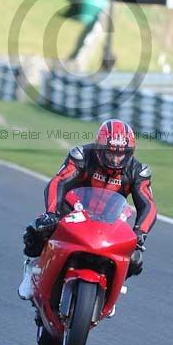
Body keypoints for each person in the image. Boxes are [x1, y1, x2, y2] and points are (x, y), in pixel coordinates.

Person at [18, 118, 157, 301]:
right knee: (38, 228)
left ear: (130, 153)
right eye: (110, 153)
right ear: (99, 148)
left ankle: (109, 292)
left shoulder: (137, 172)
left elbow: (148, 205)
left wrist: (140, 233)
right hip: (72, 213)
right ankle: (31, 269)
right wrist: (52, 213)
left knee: (135, 259)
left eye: (121, 154)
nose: (115, 159)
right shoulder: (82, 156)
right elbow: (58, 182)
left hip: (109, 222)